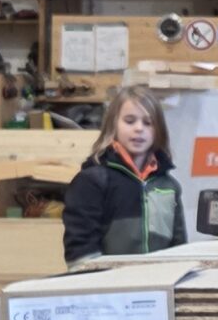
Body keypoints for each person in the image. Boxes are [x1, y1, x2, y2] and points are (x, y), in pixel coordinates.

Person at [62, 85, 187, 264]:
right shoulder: (91, 182)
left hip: (159, 279)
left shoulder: (169, 187)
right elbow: (80, 252)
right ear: (113, 125)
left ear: (158, 130)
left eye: (148, 123)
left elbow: (179, 249)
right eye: (129, 121)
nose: (139, 128)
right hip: (108, 280)